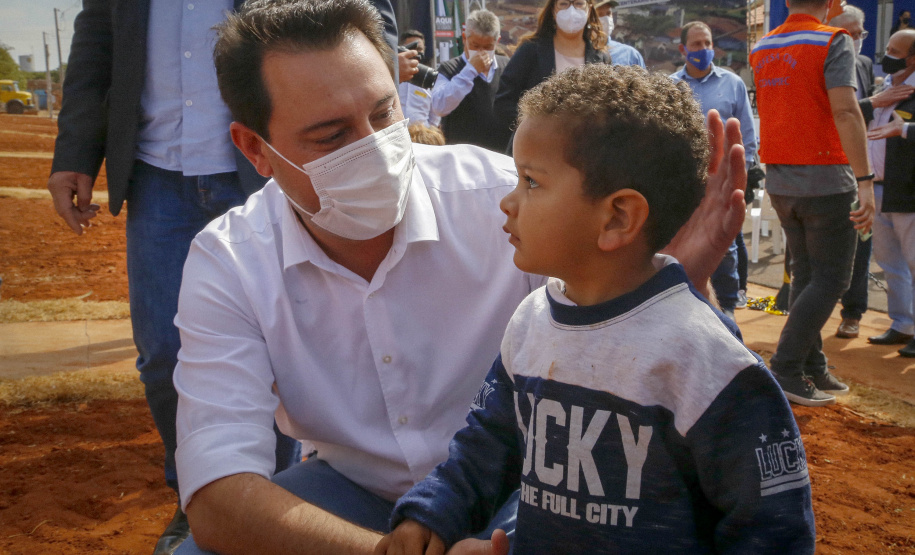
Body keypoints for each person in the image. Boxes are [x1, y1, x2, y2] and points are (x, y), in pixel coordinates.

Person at [171, 1, 748, 553]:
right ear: (256, 149)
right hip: (354, 493)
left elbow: (639, 368)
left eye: (383, 114)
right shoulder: (231, 262)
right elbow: (218, 494)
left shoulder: (511, 203)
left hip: (531, 483)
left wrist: (668, 280)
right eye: (331, 136)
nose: (375, 150)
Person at [377, 64, 815, 555]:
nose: (507, 202)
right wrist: (432, 514)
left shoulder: (706, 361)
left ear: (618, 217)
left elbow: (772, 528)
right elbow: (488, 444)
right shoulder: (531, 321)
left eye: (530, 182)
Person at [41, 0, 397, 551]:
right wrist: (76, 151)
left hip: (288, 160)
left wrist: (365, 120)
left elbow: (366, 19)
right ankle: (206, 493)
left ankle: (278, 496)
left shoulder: (482, 196)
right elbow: (97, 43)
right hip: (160, 169)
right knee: (164, 353)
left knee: (296, 346)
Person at [750, 0, 876, 407]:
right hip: (826, 180)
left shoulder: (763, 46)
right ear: (830, 3)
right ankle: (787, 367)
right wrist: (866, 181)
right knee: (832, 279)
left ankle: (811, 364)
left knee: (806, 275)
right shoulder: (832, 40)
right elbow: (847, 112)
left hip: (782, 181)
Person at [671, 21, 757, 322]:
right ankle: (683, 296)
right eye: (696, 44)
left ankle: (728, 304)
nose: (704, 49)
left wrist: (745, 172)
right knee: (681, 237)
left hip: (722, 179)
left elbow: (747, 134)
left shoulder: (732, 83)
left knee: (725, 241)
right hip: (681, 179)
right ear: (683, 49)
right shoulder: (671, 86)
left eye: (707, 43)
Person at [859, 29, 915, 355]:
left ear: (912, 58)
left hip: (908, 191)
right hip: (877, 189)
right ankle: (903, 324)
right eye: (888, 48)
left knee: (914, 262)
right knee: (890, 263)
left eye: (895, 51)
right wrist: (874, 103)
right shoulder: (883, 87)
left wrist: (904, 129)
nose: (887, 55)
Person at [494, 0, 612, 153]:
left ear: (589, 9)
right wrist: (536, 127)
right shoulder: (531, 50)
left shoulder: (601, 58)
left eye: (578, 3)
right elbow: (503, 102)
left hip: (584, 153)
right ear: (553, 10)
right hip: (536, 151)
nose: (571, 10)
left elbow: (607, 108)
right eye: (564, 4)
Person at [828, 4, 876, 338]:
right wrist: (876, 102)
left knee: (862, 239)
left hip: (860, 166)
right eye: (851, 34)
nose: (856, 40)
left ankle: (853, 312)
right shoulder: (823, 59)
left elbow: (858, 117)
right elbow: (838, 112)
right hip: (828, 166)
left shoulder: (864, 64)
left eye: (860, 34)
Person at [430, 9, 511, 151]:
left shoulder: (507, 66)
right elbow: (439, 106)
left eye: (488, 47)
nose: (481, 52)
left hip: (500, 154)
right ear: (464, 39)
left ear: (497, 42)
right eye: (475, 46)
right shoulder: (449, 69)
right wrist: (470, 71)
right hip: (463, 155)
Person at [397, 30, 441, 128]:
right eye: (412, 48)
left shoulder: (430, 78)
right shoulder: (393, 75)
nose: (416, 52)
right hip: (396, 133)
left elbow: (435, 116)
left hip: (421, 134)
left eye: (419, 49)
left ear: (424, 49)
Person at [594, 0, 646, 68]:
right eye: (599, 14)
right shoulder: (580, 54)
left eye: (608, 14)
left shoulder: (630, 55)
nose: (606, 19)